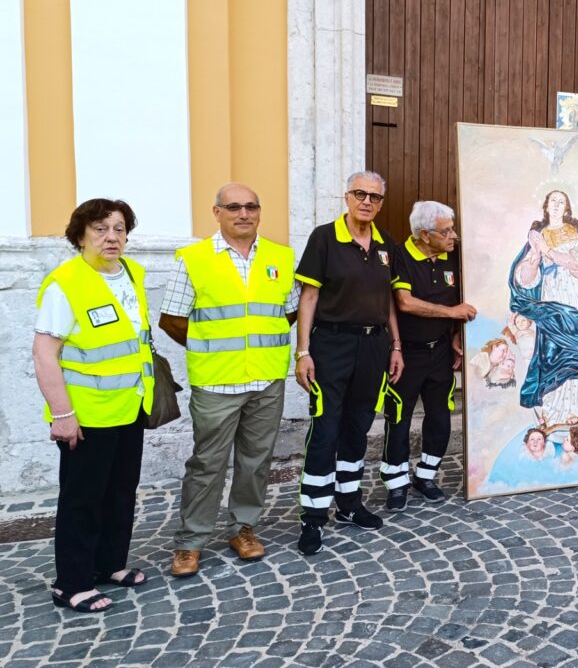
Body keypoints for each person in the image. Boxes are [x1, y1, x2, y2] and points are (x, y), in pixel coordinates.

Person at [160, 183, 299, 578]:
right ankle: (190, 542)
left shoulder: (280, 257)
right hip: (217, 382)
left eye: (251, 206)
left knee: (256, 461)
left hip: (267, 378)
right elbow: (172, 318)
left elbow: (287, 312)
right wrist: (213, 347)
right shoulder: (193, 258)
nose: (243, 213)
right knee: (207, 463)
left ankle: (243, 529)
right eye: (234, 206)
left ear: (259, 211)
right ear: (216, 212)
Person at [33, 199, 152, 612]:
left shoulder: (132, 273)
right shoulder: (64, 284)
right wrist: (63, 414)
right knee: (82, 498)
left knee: (121, 492)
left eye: (119, 229)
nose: (111, 237)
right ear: (80, 235)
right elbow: (44, 354)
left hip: (130, 406)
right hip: (86, 414)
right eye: (100, 229)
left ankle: (108, 565)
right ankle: (72, 582)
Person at [294, 171, 404, 555]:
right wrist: (303, 352)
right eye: (360, 194)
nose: (367, 201)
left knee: (359, 426)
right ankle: (312, 517)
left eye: (375, 196)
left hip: (374, 347)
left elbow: (390, 299)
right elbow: (308, 297)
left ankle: (349, 503)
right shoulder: (325, 237)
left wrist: (396, 346)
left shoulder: (386, 243)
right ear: (347, 197)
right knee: (325, 429)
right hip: (331, 345)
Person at [380, 201, 477, 512]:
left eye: (453, 228)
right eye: (446, 231)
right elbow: (405, 303)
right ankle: (396, 483)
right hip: (406, 353)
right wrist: (452, 312)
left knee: (440, 415)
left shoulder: (452, 257)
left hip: (440, 353)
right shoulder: (400, 256)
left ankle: (427, 475)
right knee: (399, 417)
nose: (454, 235)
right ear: (424, 234)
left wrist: (456, 336)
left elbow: (465, 296)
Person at [510, 190, 578, 439]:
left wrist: (549, 251)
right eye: (553, 201)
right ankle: (557, 411)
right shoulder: (539, 236)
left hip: (577, 299)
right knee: (555, 349)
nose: (557, 205)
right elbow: (525, 281)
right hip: (552, 298)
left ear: (568, 208)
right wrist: (536, 254)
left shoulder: (575, 233)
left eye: (562, 201)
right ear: (546, 207)